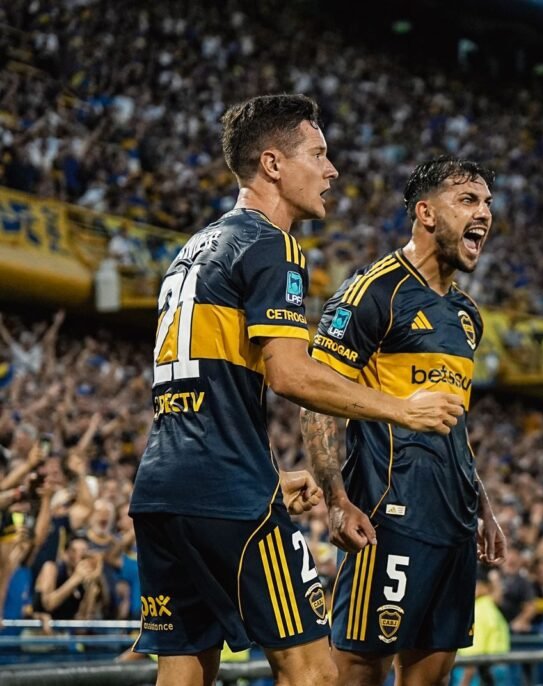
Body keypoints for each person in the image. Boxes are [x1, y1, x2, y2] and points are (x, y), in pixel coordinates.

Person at [128, 95, 465, 686]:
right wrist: (401, 409)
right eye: (318, 154)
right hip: (226, 491)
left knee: (184, 671)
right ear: (273, 164)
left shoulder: (193, 249)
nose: (331, 170)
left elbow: (207, 391)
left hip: (162, 490)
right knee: (314, 673)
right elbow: (291, 375)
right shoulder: (271, 244)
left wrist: (268, 474)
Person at [300, 155, 506, 686]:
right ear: (426, 213)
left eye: (487, 202)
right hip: (388, 514)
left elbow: (454, 422)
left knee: (432, 675)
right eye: (468, 200)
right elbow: (315, 398)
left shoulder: (467, 315)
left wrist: (482, 504)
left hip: (454, 521)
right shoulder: (373, 291)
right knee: (358, 671)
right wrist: (336, 499)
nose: (484, 213)